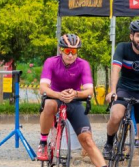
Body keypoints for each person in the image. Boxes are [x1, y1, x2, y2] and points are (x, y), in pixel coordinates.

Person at [38, 34, 107, 167]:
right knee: (49, 104)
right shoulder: (51, 62)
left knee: (88, 140)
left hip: (74, 101)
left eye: (74, 51)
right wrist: (58, 95)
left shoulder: (83, 64)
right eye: (67, 51)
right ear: (61, 50)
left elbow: (89, 91)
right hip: (55, 97)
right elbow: (43, 88)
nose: (70, 55)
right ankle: (43, 142)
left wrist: (76, 93)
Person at [103, 19, 139, 167]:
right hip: (124, 89)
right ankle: (109, 143)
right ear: (131, 36)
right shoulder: (122, 48)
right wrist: (113, 91)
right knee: (116, 115)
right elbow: (116, 69)